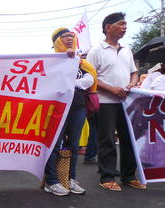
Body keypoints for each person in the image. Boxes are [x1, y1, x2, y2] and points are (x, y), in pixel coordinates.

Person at [86, 12, 144, 191]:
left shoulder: (127, 50)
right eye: (121, 24)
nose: (125, 28)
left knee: (129, 139)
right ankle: (107, 177)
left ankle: (128, 176)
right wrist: (111, 89)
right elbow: (90, 77)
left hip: (127, 102)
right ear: (108, 27)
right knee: (108, 139)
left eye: (126, 25)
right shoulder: (96, 50)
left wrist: (132, 83)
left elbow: (134, 72)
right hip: (105, 102)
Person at [43, 28, 97, 196]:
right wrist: (73, 82)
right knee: (53, 143)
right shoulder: (51, 61)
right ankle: (51, 181)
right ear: (57, 41)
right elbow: (50, 81)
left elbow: (90, 79)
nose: (69, 38)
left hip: (78, 106)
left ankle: (70, 179)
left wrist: (72, 83)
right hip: (57, 107)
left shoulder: (81, 61)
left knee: (73, 144)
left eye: (71, 36)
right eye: (65, 36)